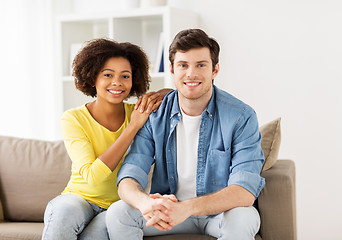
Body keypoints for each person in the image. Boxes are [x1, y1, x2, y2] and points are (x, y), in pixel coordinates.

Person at [105, 29, 266, 240]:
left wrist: (188, 208)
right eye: (183, 65)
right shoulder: (155, 114)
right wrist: (147, 203)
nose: (191, 74)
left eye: (201, 65)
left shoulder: (241, 116)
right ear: (171, 70)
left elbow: (244, 191)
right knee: (118, 213)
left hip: (221, 214)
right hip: (168, 211)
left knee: (244, 218)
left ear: (215, 70)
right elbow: (128, 177)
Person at [42, 38, 170, 240]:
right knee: (64, 212)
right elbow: (93, 175)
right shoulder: (73, 118)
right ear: (93, 78)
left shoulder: (139, 113)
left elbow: (181, 95)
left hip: (118, 207)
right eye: (108, 75)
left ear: (133, 80)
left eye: (125, 76)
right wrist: (133, 126)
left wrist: (162, 93)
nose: (117, 82)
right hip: (77, 200)